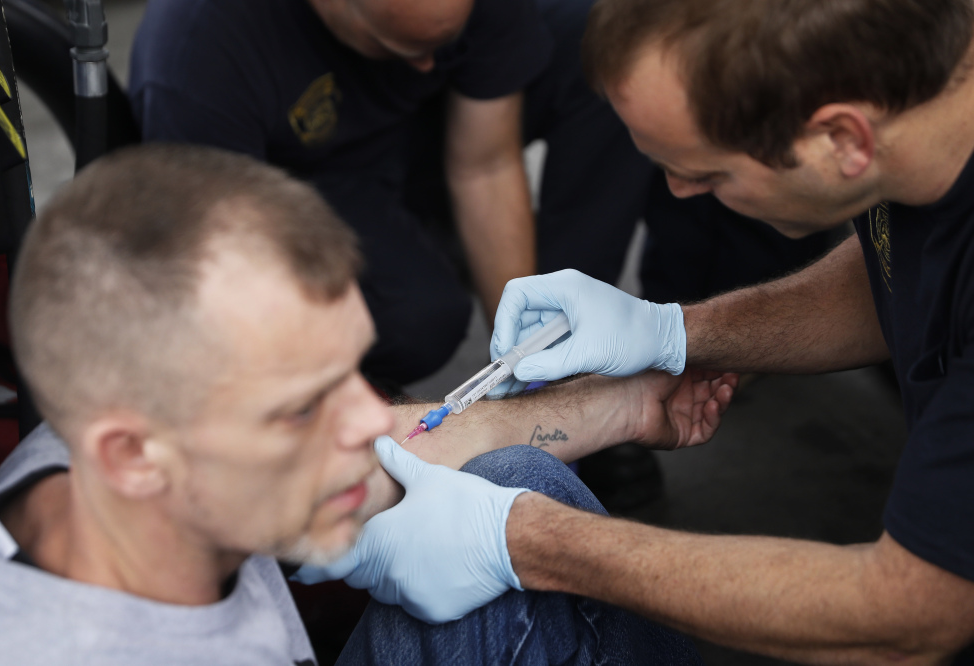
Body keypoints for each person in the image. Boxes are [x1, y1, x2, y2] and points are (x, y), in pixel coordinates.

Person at [307, 0, 974, 662]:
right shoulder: (917, 121)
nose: (676, 192)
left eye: (707, 171)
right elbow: (898, 270)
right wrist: (673, 332)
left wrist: (523, 542)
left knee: (491, 592)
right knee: (512, 475)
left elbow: (906, 616)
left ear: (843, 141)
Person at [0, 143, 729, 664]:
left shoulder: (118, 440)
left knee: (519, 485)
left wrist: (625, 407)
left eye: (350, 371)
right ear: (131, 456)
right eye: (303, 408)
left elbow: (407, 441)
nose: (372, 419)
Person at [128, 0, 654, 388]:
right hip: (307, 179)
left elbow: (486, 165)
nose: (428, 64)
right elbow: (220, 275)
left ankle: (572, 347)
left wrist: (527, 357)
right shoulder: (197, 52)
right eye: (406, 48)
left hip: (436, 127)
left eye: (438, 45)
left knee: (601, 52)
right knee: (418, 322)